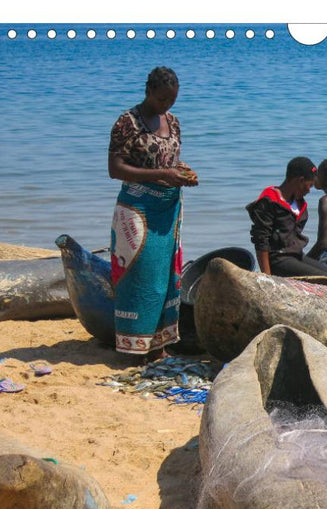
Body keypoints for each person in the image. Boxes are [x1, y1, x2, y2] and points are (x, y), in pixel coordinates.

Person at [108, 66, 198, 358]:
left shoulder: (173, 122)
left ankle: (158, 347)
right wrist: (163, 173)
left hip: (168, 210)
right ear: (148, 91)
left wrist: (184, 174)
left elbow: (173, 162)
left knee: (165, 280)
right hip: (138, 208)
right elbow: (115, 168)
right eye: (162, 100)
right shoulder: (127, 122)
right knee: (140, 277)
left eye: (171, 100)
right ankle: (133, 347)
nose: (166, 106)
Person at [247, 157, 327, 277]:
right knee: (325, 279)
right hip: (278, 259)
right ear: (300, 180)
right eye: (310, 185)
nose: (309, 191)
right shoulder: (269, 201)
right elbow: (261, 240)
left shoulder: (299, 203)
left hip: (296, 256)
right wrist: (268, 277)